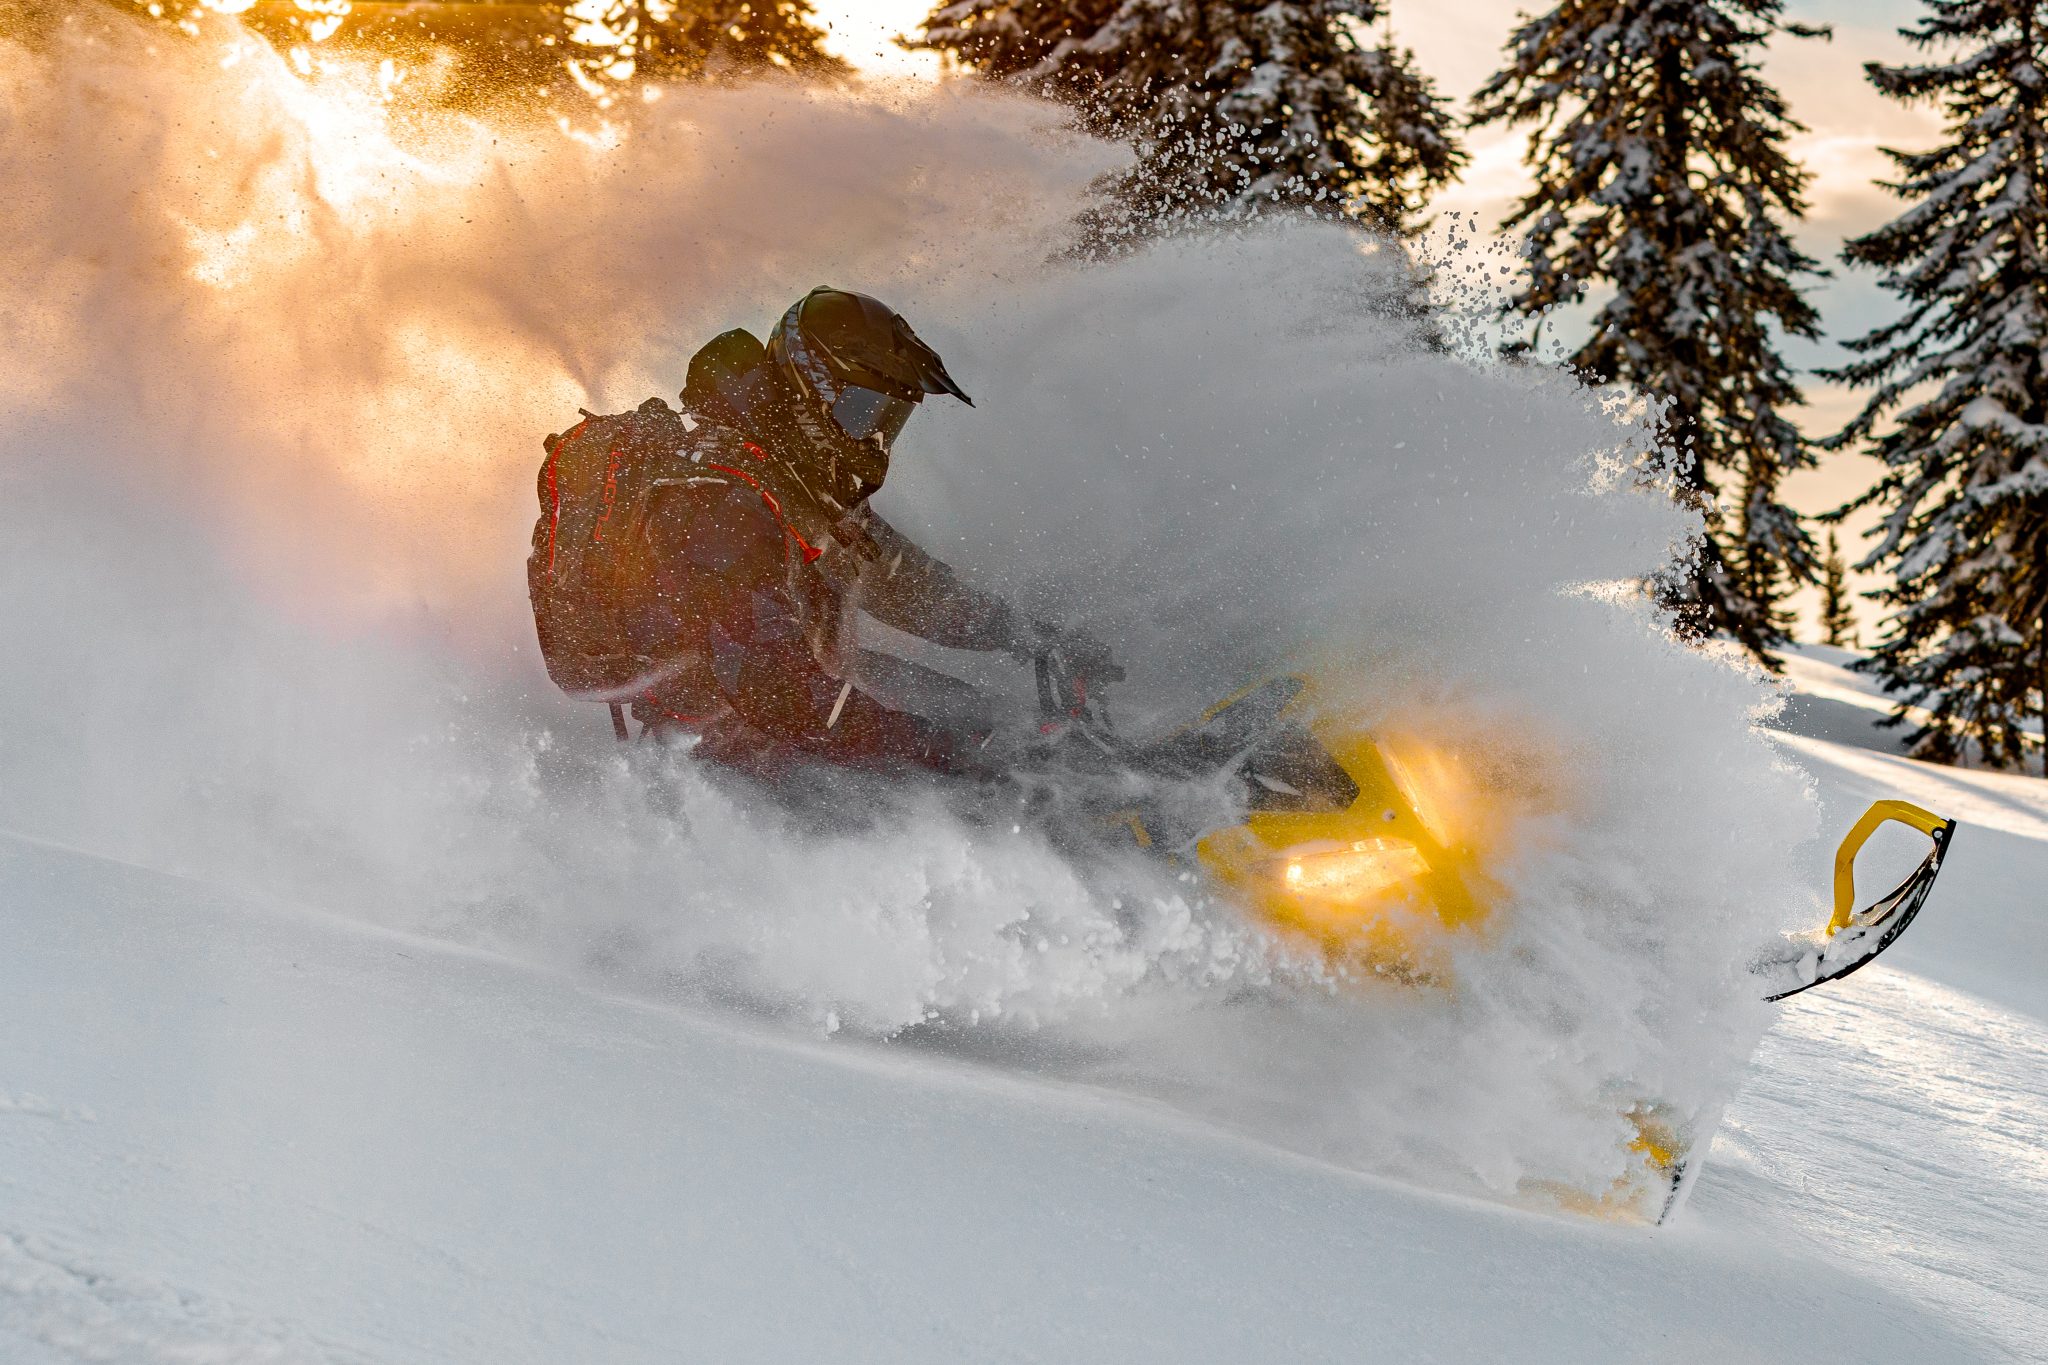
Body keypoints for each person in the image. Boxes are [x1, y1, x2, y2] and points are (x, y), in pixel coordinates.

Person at [527, 287, 1117, 780]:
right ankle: (1074, 834)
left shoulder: (780, 473)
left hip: (783, 697)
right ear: (811, 393)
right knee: (974, 752)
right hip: (720, 751)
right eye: (863, 413)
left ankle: (1072, 790)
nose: (875, 439)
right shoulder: (715, 497)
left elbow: (901, 584)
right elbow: (778, 693)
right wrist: (950, 755)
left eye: (890, 419)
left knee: (984, 719)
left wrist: (1027, 635)